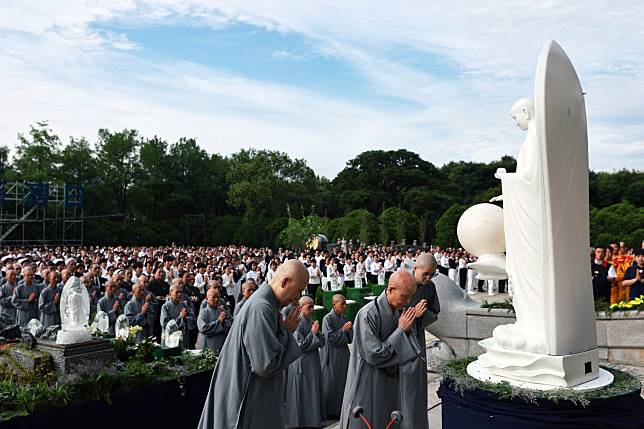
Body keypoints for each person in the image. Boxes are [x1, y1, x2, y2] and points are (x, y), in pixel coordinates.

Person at [198, 259, 308, 429]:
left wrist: (283, 331)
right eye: (299, 291)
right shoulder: (261, 307)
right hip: (247, 400)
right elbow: (265, 365)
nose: (297, 298)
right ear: (285, 282)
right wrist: (285, 333)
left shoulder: (269, 304)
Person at [340, 271, 419, 429]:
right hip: (367, 380)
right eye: (404, 296)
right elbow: (374, 354)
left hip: (389, 382)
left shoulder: (397, 311)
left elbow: (409, 344)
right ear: (390, 290)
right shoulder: (368, 314)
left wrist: (407, 330)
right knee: (365, 420)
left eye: (411, 297)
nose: (408, 301)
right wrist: (401, 331)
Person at [399, 253, 441, 429]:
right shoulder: (402, 282)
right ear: (415, 268)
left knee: (418, 383)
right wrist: (411, 315)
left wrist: (420, 318)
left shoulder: (429, 287)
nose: (428, 278)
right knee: (403, 385)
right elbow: (392, 310)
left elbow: (434, 311)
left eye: (431, 274)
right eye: (425, 274)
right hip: (400, 338)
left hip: (418, 336)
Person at [284, 295, 326, 428]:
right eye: (310, 307)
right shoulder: (297, 322)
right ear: (301, 308)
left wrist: (317, 334)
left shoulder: (311, 321)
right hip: (301, 363)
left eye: (313, 307)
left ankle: (311, 420)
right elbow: (299, 345)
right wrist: (313, 334)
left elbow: (322, 341)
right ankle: (300, 421)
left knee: (312, 392)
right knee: (302, 393)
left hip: (312, 362)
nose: (312, 310)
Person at [320, 294, 353, 419]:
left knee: (343, 382)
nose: (344, 306)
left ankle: (341, 409)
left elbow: (350, 339)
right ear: (334, 305)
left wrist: (349, 330)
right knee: (332, 382)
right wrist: (343, 331)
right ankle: (331, 411)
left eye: (345, 304)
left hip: (343, 354)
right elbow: (330, 338)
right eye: (341, 304)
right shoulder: (327, 319)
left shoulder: (343, 317)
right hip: (332, 356)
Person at [197, 287, 233, 353]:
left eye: (218, 297)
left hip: (221, 344)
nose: (216, 299)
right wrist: (219, 322)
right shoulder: (204, 313)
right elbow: (203, 328)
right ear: (207, 299)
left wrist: (224, 323)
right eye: (213, 297)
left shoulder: (222, 311)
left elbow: (231, 324)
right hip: (208, 345)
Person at [160, 284, 196, 349]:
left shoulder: (184, 305)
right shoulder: (165, 307)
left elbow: (193, 318)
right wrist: (180, 317)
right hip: (170, 337)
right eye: (177, 292)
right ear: (170, 293)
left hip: (183, 337)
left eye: (181, 292)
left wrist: (185, 319)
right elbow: (165, 324)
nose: (179, 294)